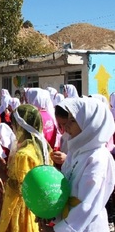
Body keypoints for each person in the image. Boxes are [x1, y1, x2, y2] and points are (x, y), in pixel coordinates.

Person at [39, 97, 115, 232]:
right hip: (68, 220)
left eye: (73, 121)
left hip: (87, 227)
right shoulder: (76, 151)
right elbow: (65, 187)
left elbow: (88, 204)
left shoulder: (98, 158)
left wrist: (60, 229)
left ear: (91, 124)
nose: (66, 126)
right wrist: (51, 213)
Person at [0, 104, 52, 232]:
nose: (13, 129)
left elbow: (21, 189)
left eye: (14, 125)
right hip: (34, 207)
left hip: (21, 209)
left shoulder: (23, 154)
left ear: (21, 127)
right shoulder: (41, 147)